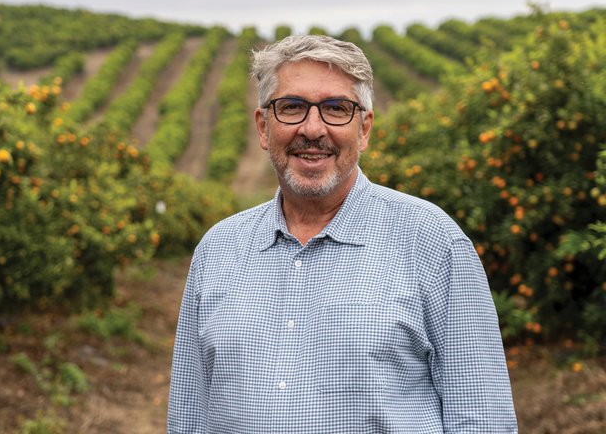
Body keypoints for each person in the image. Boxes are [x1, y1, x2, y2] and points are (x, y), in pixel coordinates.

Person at [168, 34, 518, 433]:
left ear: (364, 129)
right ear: (263, 127)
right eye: (292, 107)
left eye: (336, 108)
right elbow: (189, 418)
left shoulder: (433, 243)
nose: (312, 129)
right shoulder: (217, 250)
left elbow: (482, 419)